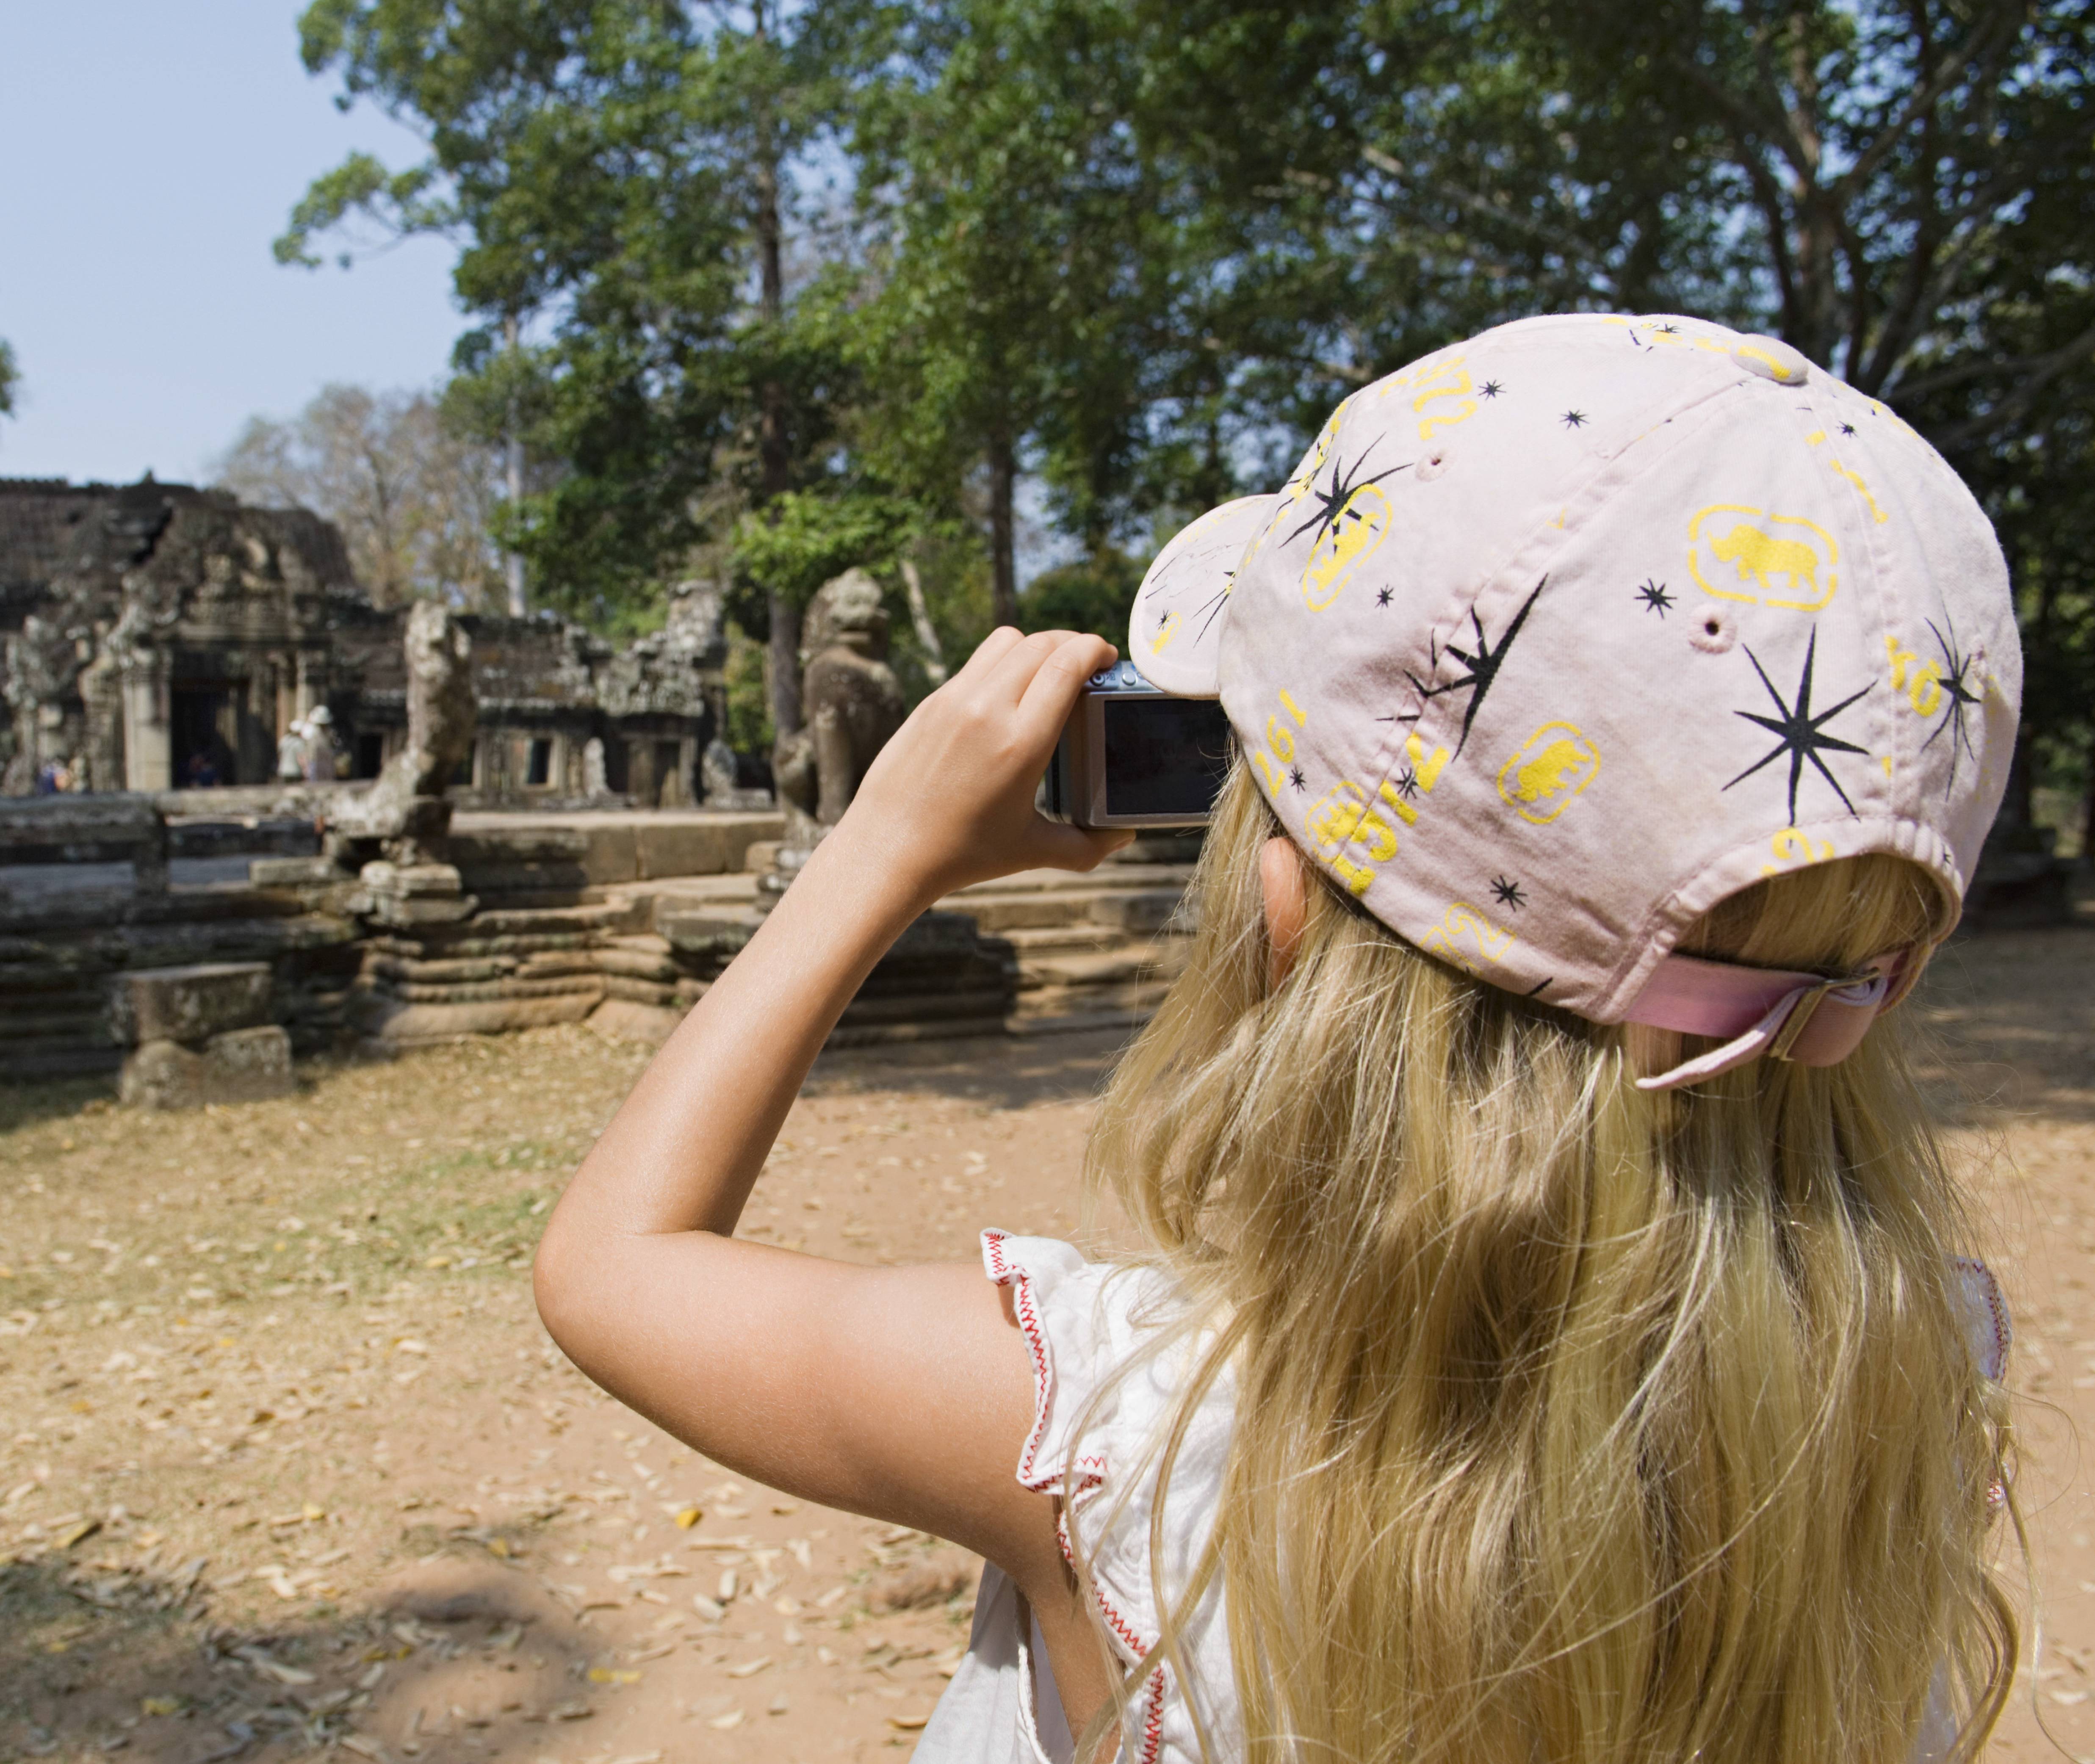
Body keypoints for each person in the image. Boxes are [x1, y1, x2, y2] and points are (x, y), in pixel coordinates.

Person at [534, 314, 2022, 1764]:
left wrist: (878, 849)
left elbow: (613, 1268)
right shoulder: (1900, 1395)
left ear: (1286, 901)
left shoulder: (1125, 1442)